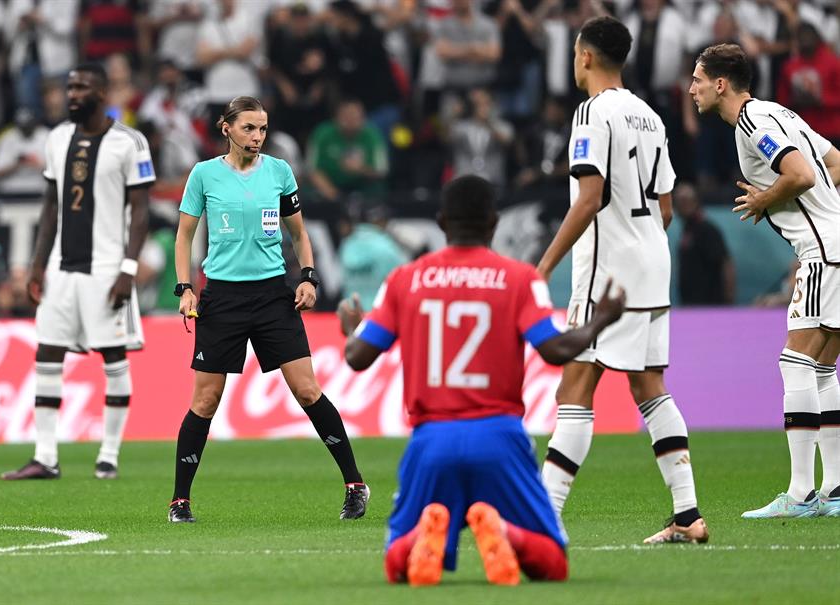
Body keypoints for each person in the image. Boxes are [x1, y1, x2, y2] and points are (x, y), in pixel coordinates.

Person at [337, 174, 625, 586]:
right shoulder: (519, 278)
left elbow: (358, 358)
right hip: (500, 437)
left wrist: (351, 329)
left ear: (440, 222)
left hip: (431, 439)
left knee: (396, 564)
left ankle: (424, 535)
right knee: (552, 564)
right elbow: (555, 350)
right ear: (493, 222)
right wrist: (600, 319)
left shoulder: (406, 280)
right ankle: (504, 532)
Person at [535, 16, 709, 544]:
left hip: (608, 272)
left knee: (576, 383)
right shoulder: (650, 116)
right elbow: (666, 208)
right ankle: (687, 515)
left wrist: (542, 267)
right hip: (655, 262)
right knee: (649, 383)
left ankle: (544, 515)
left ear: (585, 56)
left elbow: (589, 199)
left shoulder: (591, 113)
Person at [168, 96, 369, 524]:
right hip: (221, 298)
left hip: (272, 296)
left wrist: (309, 277)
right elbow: (184, 237)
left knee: (307, 391)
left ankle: (355, 484)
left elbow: (299, 234)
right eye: (248, 128)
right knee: (205, 400)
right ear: (226, 128)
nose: (257, 136)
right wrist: (185, 288)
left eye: (262, 129)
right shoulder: (204, 175)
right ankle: (179, 501)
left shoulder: (280, 172)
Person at [690, 43, 840, 518]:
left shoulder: (754, 122)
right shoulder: (781, 114)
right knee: (820, 369)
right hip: (834, 246)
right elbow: (834, 161)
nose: (691, 88)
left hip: (823, 253)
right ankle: (834, 490)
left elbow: (799, 174)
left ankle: (799, 495)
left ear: (720, 84)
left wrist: (765, 200)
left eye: (697, 79)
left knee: (795, 363)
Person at [1, 63, 154, 481]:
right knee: (47, 352)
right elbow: (50, 205)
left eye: (82, 86)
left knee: (113, 357)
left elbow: (140, 212)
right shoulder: (57, 138)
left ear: (102, 93)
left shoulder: (130, 142)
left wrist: (128, 269)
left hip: (106, 268)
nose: (72, 93)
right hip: (60, 268)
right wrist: (36, 262)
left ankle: (108, 454)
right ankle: (45, 456)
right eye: (69, 87)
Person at [674, 183, 735, 305]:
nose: (681, 205)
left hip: (710, 304)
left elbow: (726, 263)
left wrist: (729, 298)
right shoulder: (687, 230)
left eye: (685, 201)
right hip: (691, 304)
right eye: (678, 202)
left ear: (696, 202)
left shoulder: (707, 230)